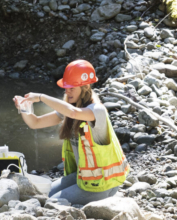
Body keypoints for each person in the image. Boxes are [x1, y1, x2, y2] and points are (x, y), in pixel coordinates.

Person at [15, 60, 129, 205]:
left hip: (102, 183)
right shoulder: (70, 108)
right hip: (85, 177)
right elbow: (35, 123)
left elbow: (73, 113)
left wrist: (41, 97)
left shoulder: (96, 110)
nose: (67, 91)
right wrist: (25, 108)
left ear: (85, 87)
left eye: (72, 88)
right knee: (46, 194)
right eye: (66, 87)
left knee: (52, 203)